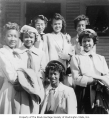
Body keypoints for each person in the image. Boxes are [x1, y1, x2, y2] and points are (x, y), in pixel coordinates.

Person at [0, 22, 43, 114]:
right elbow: (11, 77)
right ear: (4, 37)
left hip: (22, 90)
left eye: (15, 36)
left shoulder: (16, 53)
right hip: (10, 91)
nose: (12, 39)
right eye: (9, 36)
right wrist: (31, 82)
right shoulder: (2, 53)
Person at [70, 29, 109, 114]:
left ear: (94, 42)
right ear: (80, 43)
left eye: (89, 41)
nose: (87, 44)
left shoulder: (100, 58)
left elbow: (106, 75)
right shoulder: (76, 58)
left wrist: (102, 82)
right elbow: (76, 78)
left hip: (99, 91)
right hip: (84, 91)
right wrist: (93, 80)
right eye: (84, 41)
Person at [44, 13, 74, 87]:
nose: (57, 26)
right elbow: (45, 54)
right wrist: (47, 73)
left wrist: (67, 57)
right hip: (52, 70)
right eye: (55, 24)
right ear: (51, 25)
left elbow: (71, 54)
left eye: (59, 24)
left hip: (64, 70)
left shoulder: (66, 37)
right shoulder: (47, 36)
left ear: (62, 24)